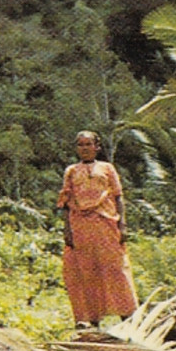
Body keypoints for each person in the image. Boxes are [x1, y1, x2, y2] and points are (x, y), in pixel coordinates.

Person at [57, 130, 138, 330]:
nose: (84, 149)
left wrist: (122, 224)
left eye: (88, 144)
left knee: (115, 268)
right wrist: (67, 230)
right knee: (85, 270)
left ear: (97, 147)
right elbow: (66, 203)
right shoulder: (71, 171)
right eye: (81, 145)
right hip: (80, 226)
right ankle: (90, 319)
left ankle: (127, 315)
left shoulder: (107, 168)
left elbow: (118, 197)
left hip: (106, 223)